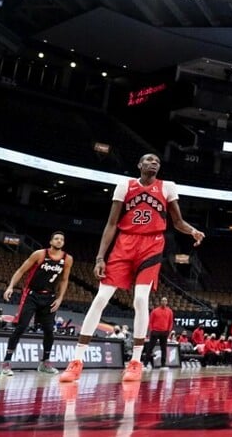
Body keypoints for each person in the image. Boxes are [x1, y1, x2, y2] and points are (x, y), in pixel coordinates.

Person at [59, 153, 205, 383]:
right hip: (124, 243)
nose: (154, 163)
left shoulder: (167, 187)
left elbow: (177, 222)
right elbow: (111, 224)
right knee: (100, 298)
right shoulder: (124, 185)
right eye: (148, 160)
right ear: (139, 165)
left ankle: (135, 362)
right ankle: (76, 361)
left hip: (152, 244)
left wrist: (193, 231)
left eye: (157, 160)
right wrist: (100, 257)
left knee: (140, 299)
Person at [0, 231, 72, 376]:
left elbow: (64, 280)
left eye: (61, 239)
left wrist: (60, 298)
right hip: (31, 295)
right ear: (51, 241)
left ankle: (44, 363)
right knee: (21, 327)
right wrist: (10, 286)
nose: (59, 241)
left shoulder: (68, 259)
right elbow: (21, 271)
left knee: (49, 331)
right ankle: (6, 364)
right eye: (56, 239)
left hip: (50, 298)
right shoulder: (39, 254)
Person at [143, 297, 174, 369]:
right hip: (155, 331)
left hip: (164, 332)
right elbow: (150, 321)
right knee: (150, 348)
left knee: (164, 348)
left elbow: (170, 322)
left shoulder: (170, 311)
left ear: (167, 302)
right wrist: (151, 330)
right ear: (161, 302)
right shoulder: (155, 311)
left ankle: (163, 364)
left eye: (165, 301)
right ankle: (145, 364)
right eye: (163, 301)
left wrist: (168, 331)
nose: (164, 302)